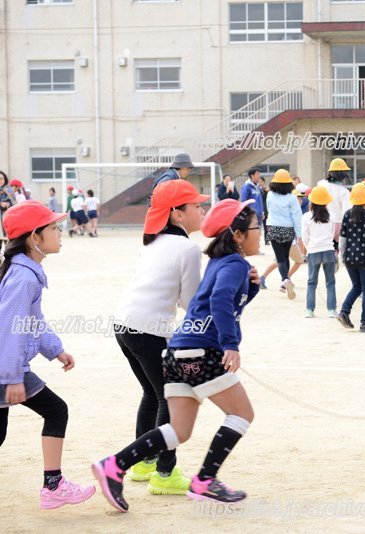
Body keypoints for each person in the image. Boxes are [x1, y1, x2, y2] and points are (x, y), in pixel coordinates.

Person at [93, 198, 262, 512]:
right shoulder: (233, 264)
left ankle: (114, 465)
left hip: (177, 353)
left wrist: (252, 287)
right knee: (242, 414)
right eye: (255, 227)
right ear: (237, 235)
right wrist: (231, 345)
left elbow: (220, 301)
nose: (260, 232)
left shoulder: (220, 263)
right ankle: (205, 480)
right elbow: (222, 301)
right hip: (203, 352)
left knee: (178, 431)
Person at [113, 180, 207, 496]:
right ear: (177, 214)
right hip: (149, 331)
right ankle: (165, 473)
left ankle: (144, 463)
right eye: (195, 205)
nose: (202, 209)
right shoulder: (188, 248)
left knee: (152, 393)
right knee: (170, 397)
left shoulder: (154, 242)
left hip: (125, 325)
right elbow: (190, 303)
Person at [0, 200, 96, 509]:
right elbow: (11, 330)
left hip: (7, 366)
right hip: (6, 368)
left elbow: (32, 322)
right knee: (56, 410)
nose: (60, 232)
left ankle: (53, 486)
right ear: (34, 238)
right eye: (54, 228)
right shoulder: (24, 278)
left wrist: (55, 350)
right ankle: (53, 486)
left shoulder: (25, 272)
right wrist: (13, 377)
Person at [338, 183, 365, 332]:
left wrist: (342, 255)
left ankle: (344, 311)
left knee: (356, 287)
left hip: (350, 257)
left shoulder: (347, 214)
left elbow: (342, 238)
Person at [263, 169, 304, 299]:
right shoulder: (292, 198)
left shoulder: (270, 195)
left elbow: (269, 209)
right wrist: (299, 234)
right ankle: (286, 279)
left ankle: (285, 279)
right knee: (286, 256)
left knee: (280, 258)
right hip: (288, 228)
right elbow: (296, 216)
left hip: (273, 227)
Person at [302, 186, 337, 319]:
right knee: (330, 282)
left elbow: (305, 237)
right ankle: (332, 310)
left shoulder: (306, 217)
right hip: (328, 250)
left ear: (312, 202)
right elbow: (333, 234)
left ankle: (309, 310)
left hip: (313, 251)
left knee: (311, 282)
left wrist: (309, 248)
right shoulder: (331, 216)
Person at [318, 158, 353, 247]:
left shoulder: (321, 185)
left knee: (325, 247)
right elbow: (346, 211)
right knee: (336, 248)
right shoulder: (344, 191)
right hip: (338, 222)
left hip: (322, 220)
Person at [240, 168, 264, 234]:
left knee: (258, 234)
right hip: (251, 215)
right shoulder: (246, 186)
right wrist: (248, 213)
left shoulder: (258, 186)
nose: (259, 176)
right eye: (257, 174)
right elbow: (244, 201)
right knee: (252, 233)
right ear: (252, 175)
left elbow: (260, 200)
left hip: (259, 215)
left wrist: (262, 212)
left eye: (259, 174)